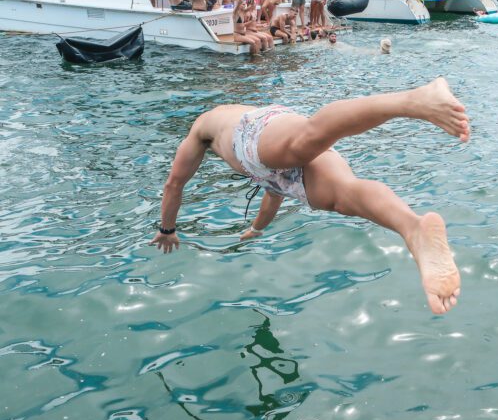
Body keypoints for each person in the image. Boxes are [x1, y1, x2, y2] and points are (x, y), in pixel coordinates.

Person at [150, 78, 470, 314]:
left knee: (308, 137)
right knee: (344, 196)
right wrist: (257, 230)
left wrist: (167, 229)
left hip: (253, 133)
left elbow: (174, 184)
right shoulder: (236, 132)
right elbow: (272, 193)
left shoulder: (202, 127)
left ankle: (413, 99)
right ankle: (413, 229)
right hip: (274, 168)